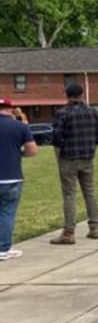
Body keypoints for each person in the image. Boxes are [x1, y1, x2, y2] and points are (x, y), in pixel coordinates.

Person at [50, 84, 98, 245]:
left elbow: (57, 138)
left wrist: (58, 157)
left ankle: (69, 232)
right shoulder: (92, 112)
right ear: (82, 95)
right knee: (90, 192)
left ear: (66, 95)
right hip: (87, 158)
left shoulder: (62, 113)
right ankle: (94, 228)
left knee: (69, 194)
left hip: (68, 158)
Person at [0, 98, 38, 261]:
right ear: (11, 109)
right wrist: (18, 153)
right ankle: (3, 247)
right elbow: (32, 150)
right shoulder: (20, 127)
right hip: (11, 176)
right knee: (7, 212)